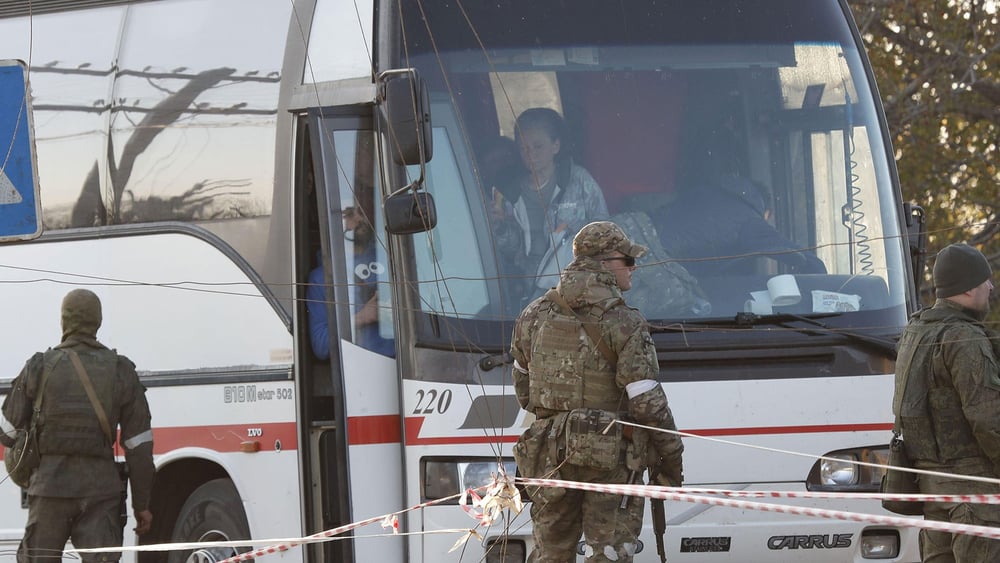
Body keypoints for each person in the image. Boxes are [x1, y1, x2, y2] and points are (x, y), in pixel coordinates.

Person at [510, 221, 684, 562]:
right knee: (607, 554)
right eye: (627, 260)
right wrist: (670, 458)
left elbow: (525, 391)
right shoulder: (624, 321)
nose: (634, 267)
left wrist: (565, 418)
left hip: (549, 455)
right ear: (603, 263)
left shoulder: (533, 315)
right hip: (611, 458)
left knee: (551, 553)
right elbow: (647, 404)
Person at [0, 289, 154, 563]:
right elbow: (139, 446)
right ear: (98, 322)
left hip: (49, 491)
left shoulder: (39, 366)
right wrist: (142, 504)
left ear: (63, 322)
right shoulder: (120, 371)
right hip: (101, 492)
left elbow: (7, 433)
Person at [893, 243, 1000, 562]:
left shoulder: (915, 329)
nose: (990, 287)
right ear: (968, 289)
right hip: (974, 495)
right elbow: (989, 419)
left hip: (933, 490)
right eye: (985, 281)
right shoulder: (963, 339)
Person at [655, 124, 826, 278]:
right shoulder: (749, 219)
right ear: (767, 212)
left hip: (639, 231)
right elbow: (782, 247)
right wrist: (816, 270)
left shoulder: (712, 188)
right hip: (655, 261)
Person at [494, 108, 609, 303]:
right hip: (532, 289)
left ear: (556, 146)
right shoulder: (512, 194)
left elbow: (606, 232)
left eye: (538, 147)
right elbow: (513, 251)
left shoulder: (579, 181)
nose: (530, 155)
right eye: (524, 148)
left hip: (579, 287)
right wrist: (500, 226)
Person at [307, 206, 394, 359]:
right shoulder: (321, 277)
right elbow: (320, 345)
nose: (359, 219)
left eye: (362, 212)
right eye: (349, 214)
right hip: (362, 365)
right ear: (332, 223)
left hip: (408, 360)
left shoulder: (391, 256)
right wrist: (362, 317)